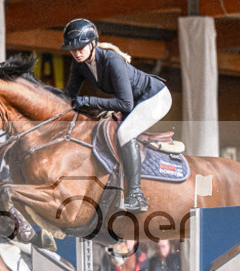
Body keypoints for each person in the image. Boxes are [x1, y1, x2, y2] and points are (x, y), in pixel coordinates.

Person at [61, 18, 172, 213]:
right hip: (134, 102)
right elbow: (68, 96)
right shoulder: (79, 65)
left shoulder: (112, 61)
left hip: (155, 98)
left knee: (124, 133)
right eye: (73, 49)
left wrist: (89, 101)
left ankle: (136, 195)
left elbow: (125, 103)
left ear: (93, 43)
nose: (77, 53)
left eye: (81, 47)